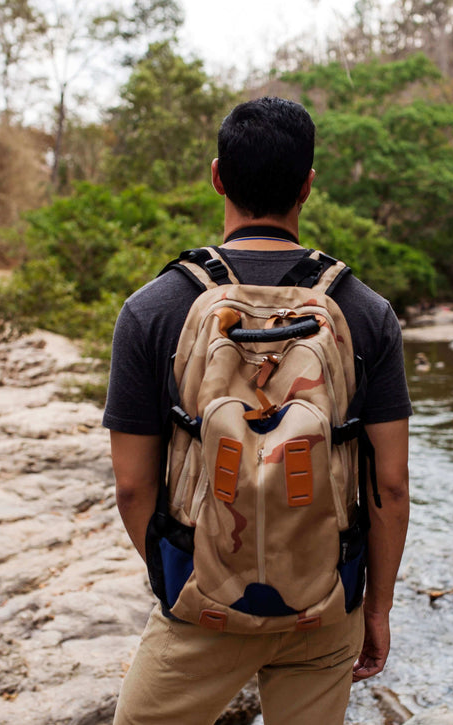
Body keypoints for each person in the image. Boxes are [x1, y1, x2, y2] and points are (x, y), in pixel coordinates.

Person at [103, 96, 411, 725]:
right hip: (325, 603)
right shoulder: (366, 311)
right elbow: (390, 484)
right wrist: (374, 608)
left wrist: (186, 579)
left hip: (201, 604)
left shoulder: (153, 308)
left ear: (217, 176)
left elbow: (133, 486)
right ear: (308, 186)